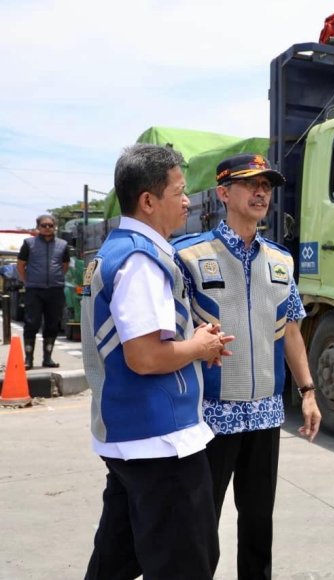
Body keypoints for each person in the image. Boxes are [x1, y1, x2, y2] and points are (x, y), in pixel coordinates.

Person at [81, 144, 234, 580]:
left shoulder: (115, 251)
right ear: (148, 201)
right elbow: (145, 356)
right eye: (179, 192)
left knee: (115, 561)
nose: (188, 201)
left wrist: (193, 342)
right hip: (162, 445)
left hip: (132, 441)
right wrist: (201, 347)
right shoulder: (140, 260)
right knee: (186, 563)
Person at [174, 153, 322, 579]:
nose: (261, 192)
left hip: (265, 416)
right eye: (250, 184)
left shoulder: (280, 261)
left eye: (268, 185)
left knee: (259, 525)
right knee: (201, 528)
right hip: (209, 418)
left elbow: (290, 331)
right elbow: (169, 334)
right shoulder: (188, 256)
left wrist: (308, 392)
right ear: (224, 193)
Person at [17, 214, 70, 369]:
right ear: (38, 227)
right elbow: (20, 265)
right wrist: (27, 281)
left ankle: (48, 358)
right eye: (44, 225)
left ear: (55, 227)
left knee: (52, 324)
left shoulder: (63, 244)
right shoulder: (29, 243)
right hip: (34, 290)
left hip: (55, 290)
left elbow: (64, 265)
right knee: (31, 323)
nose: (47, 228)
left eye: (50, 225)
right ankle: (28, 359)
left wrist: (56, 278)